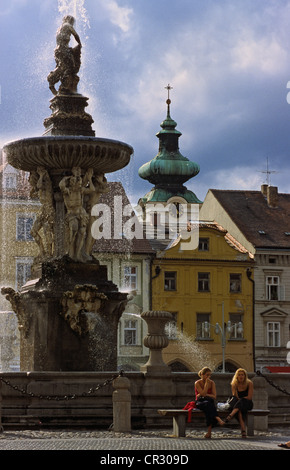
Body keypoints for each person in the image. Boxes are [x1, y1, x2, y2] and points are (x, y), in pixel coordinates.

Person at [223, 368, 253, 438]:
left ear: (245, 376)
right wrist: (235, 387)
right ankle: (243, 431)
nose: (241, 376)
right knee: (239, 409)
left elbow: (249, 397)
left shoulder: (249, 383)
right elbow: (235, 396)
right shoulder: (234, 384)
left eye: (242, 375)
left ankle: (230, 416)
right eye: (239, 375)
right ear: (236, 376)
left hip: (248, 403)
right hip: (238, 405)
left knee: (241, 402)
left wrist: (242, 399)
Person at [195, 367, 224, 438]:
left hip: (209, 402)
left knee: (209, 407)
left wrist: (204, 394)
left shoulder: (212, 383)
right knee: (209, 405)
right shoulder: (197, 383)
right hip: (200, 402)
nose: (208, 377)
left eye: (210, 375)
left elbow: (214, 396)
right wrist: (206, 385)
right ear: (202, 374)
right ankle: (217, 418)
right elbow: (203, 394)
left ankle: (209, 433)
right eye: (207, 375)